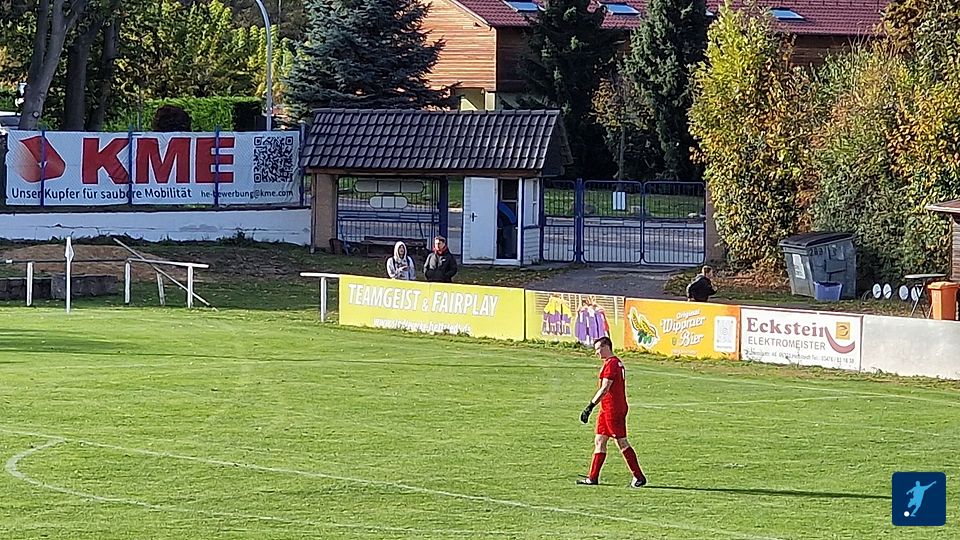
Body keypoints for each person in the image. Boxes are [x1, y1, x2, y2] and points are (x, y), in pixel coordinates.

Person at [577, 336, 647, 488]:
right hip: (606, 409)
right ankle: (592, 477)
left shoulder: (612, 364)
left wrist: (590, 406)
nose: (596, 353)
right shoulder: (613, 363)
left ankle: (639, 476)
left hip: (613, 409)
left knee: (621, 441)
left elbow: (604, 388)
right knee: (600, 440)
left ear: (606, 347)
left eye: (598, 349)